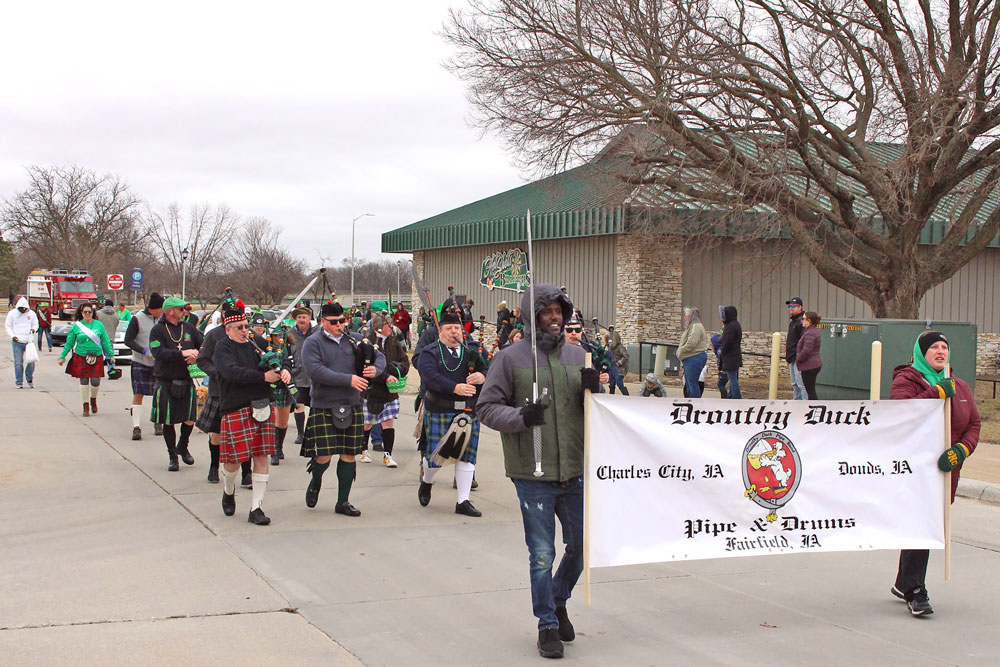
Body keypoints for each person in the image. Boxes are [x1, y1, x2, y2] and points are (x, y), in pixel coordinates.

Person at [478, 285, 608, 659]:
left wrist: (593, 392)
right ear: (531, 316)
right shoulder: (509, 359)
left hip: (573, 468)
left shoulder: (580, 356)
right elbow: (487, 407)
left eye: (559, 311)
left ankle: (558, 597)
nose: (554, 317)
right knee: (541, 554)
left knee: (582, 546)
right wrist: (521, 416)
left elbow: (597, 413)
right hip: (532, 472)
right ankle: (547, 624)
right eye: (547, 311)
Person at [889, 330, 980, 617]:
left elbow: (974, 424)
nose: (941, 352)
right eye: (934, 348)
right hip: (917, 468)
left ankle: (904, 582)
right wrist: (935, 394)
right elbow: (900, 416)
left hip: (947, 470)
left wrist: (962, 450)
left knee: (927, 523)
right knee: (923, 524)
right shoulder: (907, 380)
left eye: (945, 347)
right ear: (921, 352)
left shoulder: (960, 386)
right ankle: (916, 591)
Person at [300, 301, 385, 516]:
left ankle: (343, 502)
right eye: (334, 322)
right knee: (324, 456)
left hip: (352, 404)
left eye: (342, 320)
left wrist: (376, 369)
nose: (340, 325)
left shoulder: (355, 339)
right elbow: (316, 371)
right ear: (323, 322)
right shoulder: (313, 343)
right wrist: (349, 379)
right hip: (324, 403)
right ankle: (316, 480)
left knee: (349, 454)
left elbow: (380, 356)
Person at [215, 306, 290, 525]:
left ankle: (256, 507)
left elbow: (279, 355)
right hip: (236, 407)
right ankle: (229, 489)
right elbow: (231, 372)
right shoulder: (222, 348)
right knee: (233, 461)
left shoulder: (256, 344)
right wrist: (263, 378)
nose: (245, 331)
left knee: (260, 456)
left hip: (263, 407)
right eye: (240, 327)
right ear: (228, 329)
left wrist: (284, 369)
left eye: (247, 326)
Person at [416, 310, 488, 516]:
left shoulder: (473, 349)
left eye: (457, 328)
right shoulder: (430, 352)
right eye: (449, 328)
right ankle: (427, 480)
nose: (453, 332)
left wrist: (482, 376)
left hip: (468, 410)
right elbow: (429, 377)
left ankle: (463, 501)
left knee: (466, 456)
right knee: (436, 457)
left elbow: (491, 368)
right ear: (441, 330)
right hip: (440, 408)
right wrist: (454, 387)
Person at [197, 297, 252, 485]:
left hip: (245, 392)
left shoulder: (248, 335)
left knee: (247, 434)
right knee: (218, 435)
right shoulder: (214, 336)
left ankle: (247, 473)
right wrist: (219, 373)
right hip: (220, 391)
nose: (243, 327)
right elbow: (202, 360)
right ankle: (214, 466)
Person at [149, 296, 204, 471]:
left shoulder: (188, 328)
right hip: (166, 380)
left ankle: (183, 445)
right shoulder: (157, 330)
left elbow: (203, 345)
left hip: (186, 379)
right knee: (168, 421)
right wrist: (181, 354)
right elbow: (158, 352)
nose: (185, 312)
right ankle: (172, 455)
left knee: (189, 418)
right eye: (181, 310)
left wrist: (197, 356)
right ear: (170, 311)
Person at [360, 312, 410, 468]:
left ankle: (388, 456)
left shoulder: (392, 342)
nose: (392, 327)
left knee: (388, 424)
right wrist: (386, 376)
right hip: (372, 391)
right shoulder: (368, 343)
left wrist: (399, 369)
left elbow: (404, 360)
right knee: (367, 423)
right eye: (389, 325)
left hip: (390, 393)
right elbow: (367, 368)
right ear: (380, 327)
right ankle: (363, 451)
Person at [57, 303, 113, 414]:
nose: (87, 314)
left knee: (95, 381)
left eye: (89, 312)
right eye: (85, 312)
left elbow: (106, 341)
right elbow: (69, 342)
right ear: (81, 313)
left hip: (96, 355)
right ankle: (85, 406)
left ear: (93, 313)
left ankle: (93, 400)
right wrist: (62, 356)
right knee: (84, 381)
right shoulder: (77, 326)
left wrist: (111, 355)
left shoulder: (99, 325)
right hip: (81, 355)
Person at [124, 293, 165, 440]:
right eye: (161, 308)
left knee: (159, 394)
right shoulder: (137, 319)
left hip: (159, 363)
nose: (163, 311)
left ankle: (158, 422)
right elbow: (128, 340)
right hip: (140, 362)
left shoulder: (163, 319)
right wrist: (144, 351)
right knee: (138, 394)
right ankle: (136, 427)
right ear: (153, 309)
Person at [287, 306, 317, 446]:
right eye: (299, 317)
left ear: (309, 318)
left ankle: (311, 432)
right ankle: (300, 433)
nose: (301, 320)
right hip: (297, 376)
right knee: (299, 404)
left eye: (304, 317)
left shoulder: (317, 332)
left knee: (314, 406)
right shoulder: (290, 333)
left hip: (314, 376)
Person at [7, 296, 39, 389]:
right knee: (18, 362)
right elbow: (8, 326)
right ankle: (19, 381)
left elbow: (35, 323)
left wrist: (34, 329)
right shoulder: (12, 314)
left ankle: (29, 378)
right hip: (17, 341)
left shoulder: (32, 314)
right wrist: (13, 336)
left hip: (29, 341)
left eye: (24, 309)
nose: (23, 310)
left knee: (31, 361)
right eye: (21, 309)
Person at [677, 306, 708, 398]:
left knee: (692, 382)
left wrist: (680, 351)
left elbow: (692, 343)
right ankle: (690, 400)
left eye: (687, 316)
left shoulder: (696, 327)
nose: (685, 318)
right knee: (689, 383)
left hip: (694, 357)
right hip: (690, 358)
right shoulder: (692, 327)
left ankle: (695, 403)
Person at [795, 311, 823, 400]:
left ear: (809, 320)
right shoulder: (812, 331)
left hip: (809, 366)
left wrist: (798, 359)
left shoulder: (810, 333)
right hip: (813, 365)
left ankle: (813, 409)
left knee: (810, 391)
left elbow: (807, 350)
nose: (802, 321)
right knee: (810, 390)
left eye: (803, 319)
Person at [718, 305, 743, 398]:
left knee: (733, 379)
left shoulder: (730, 327)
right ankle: (731, 396)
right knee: (734, 378)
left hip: (730, 357)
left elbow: (727, 343)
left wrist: (722, 352)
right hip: (735, 356)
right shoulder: (736, 324)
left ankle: (736, 397)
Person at [785, 297, 806, 400]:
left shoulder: (802, 322)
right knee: (794, 384)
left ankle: (805, 405)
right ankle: (796, 404)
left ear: (800, 307)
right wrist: (788, 357)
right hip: (791, 358)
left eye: (793, 306)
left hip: (798, 359)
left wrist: (799, 357)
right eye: (790, 306)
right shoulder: (793, 322)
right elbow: (791, 342)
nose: (791, 308)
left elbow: (802, 342)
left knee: (801, 384)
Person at [608, 330, 630, 395]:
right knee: (612, 383)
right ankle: (611, 397)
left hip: (621, 368)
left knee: (619, 382)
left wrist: (619, 363)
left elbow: (626, 356)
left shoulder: (620, 347)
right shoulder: (611, 347)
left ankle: (627, 396)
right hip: (613, 367)